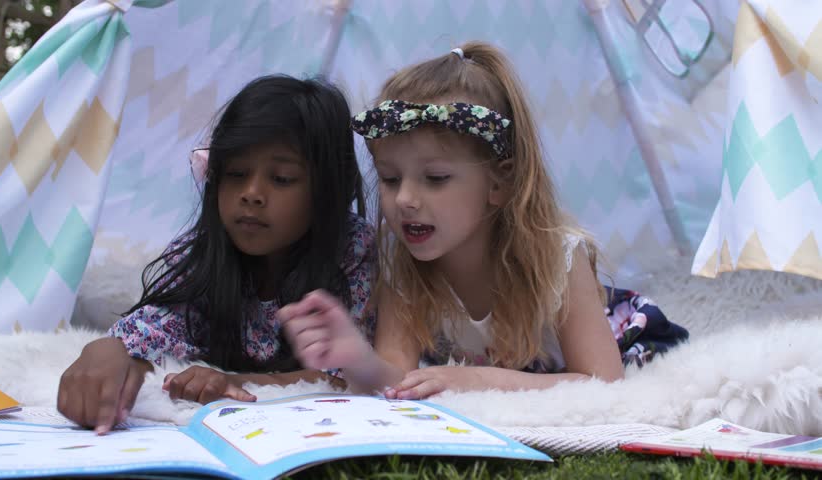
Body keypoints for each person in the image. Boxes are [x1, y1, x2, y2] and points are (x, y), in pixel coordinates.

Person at [279, 42, 684, 400]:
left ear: (499, 183)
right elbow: (397, 380)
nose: (404, 199)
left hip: (610, 342)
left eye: (435, 178)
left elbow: (604, 384)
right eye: (389, 178)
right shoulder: (404, 266)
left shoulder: (558, 258)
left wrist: (478, 380)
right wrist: (357, 358)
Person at [58, 75, 375, 433]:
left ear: (330, 189)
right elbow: (151, 331)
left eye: (282, 178)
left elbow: (343, 377)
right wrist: (108, 349)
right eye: (236, 173)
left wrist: (232, 380)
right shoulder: (205, 254)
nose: (251, 193)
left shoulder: (353, 250)